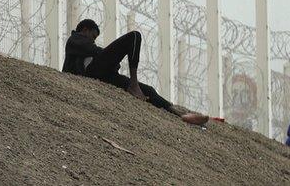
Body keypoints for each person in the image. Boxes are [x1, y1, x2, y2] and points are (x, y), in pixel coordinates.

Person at [62, 19, 208, 125]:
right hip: (92, 73)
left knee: (148, 90)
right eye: (93, 36)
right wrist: (109, 57)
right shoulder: (75, 39)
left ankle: (180, 114)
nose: (93, 40)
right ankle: (133, 84)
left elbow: (97, 53)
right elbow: (95, 51)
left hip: (104, 75)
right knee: (134, 36)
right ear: (85, 30)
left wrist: (111, 62)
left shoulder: (84, 44)